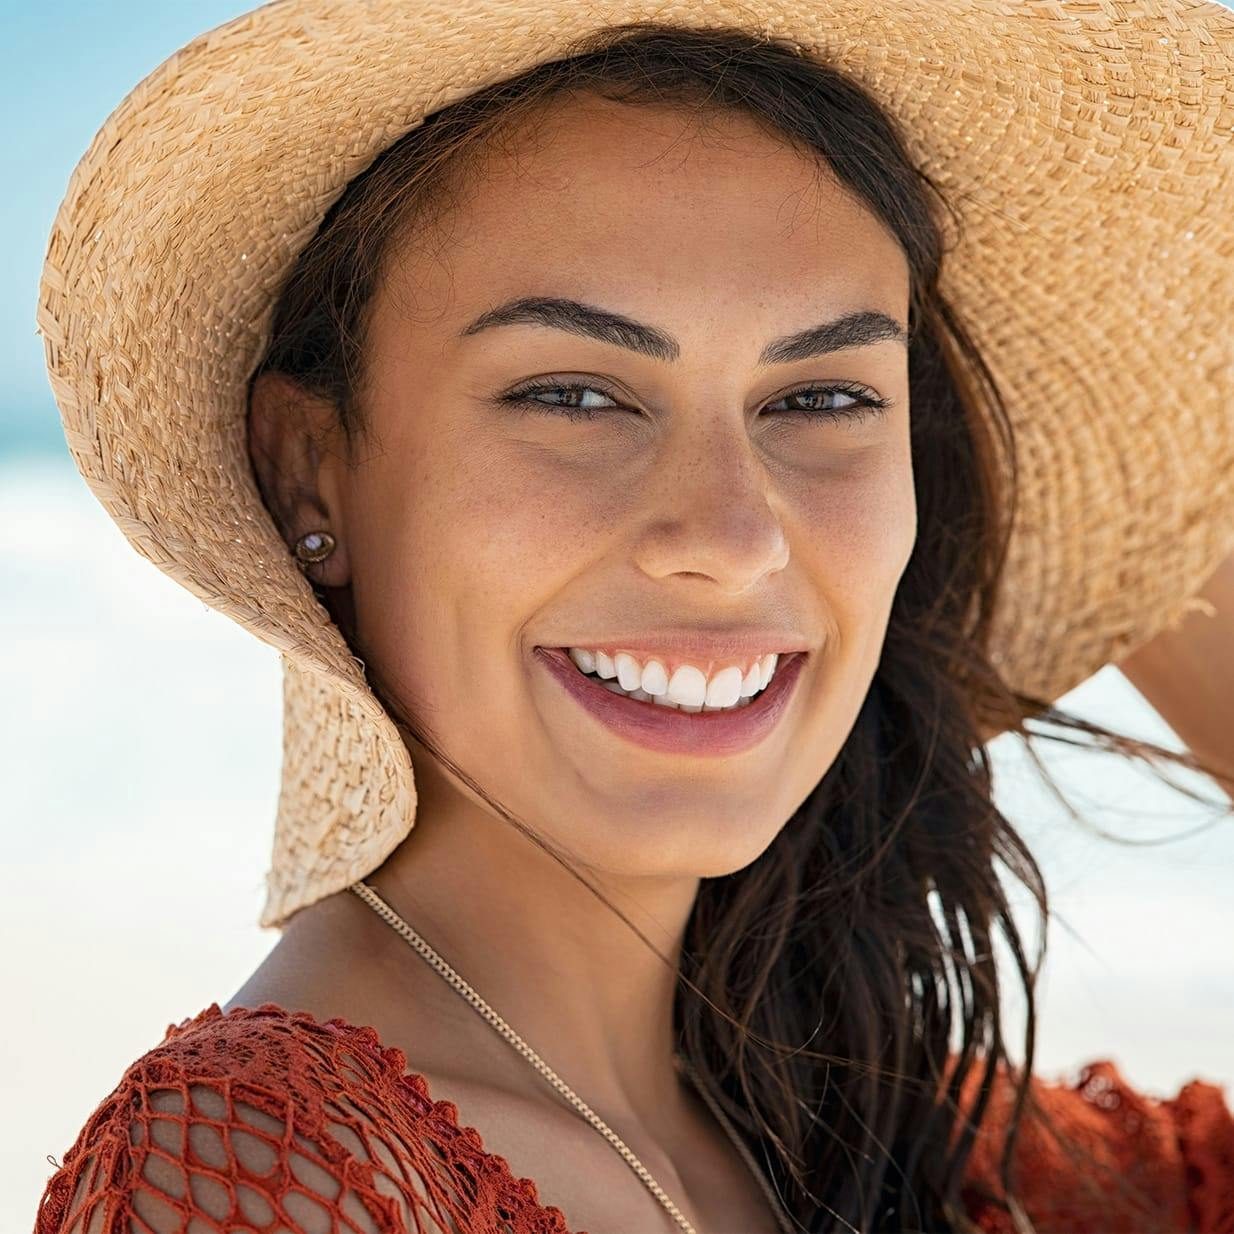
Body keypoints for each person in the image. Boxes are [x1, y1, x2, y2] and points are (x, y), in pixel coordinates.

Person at [30, 3, 1234, 1232]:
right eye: (574, 395)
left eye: (820, 397)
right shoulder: (256, 1171)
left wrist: (1141, 491)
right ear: (311, 471)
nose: (733, 537)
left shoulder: (926, 1150)